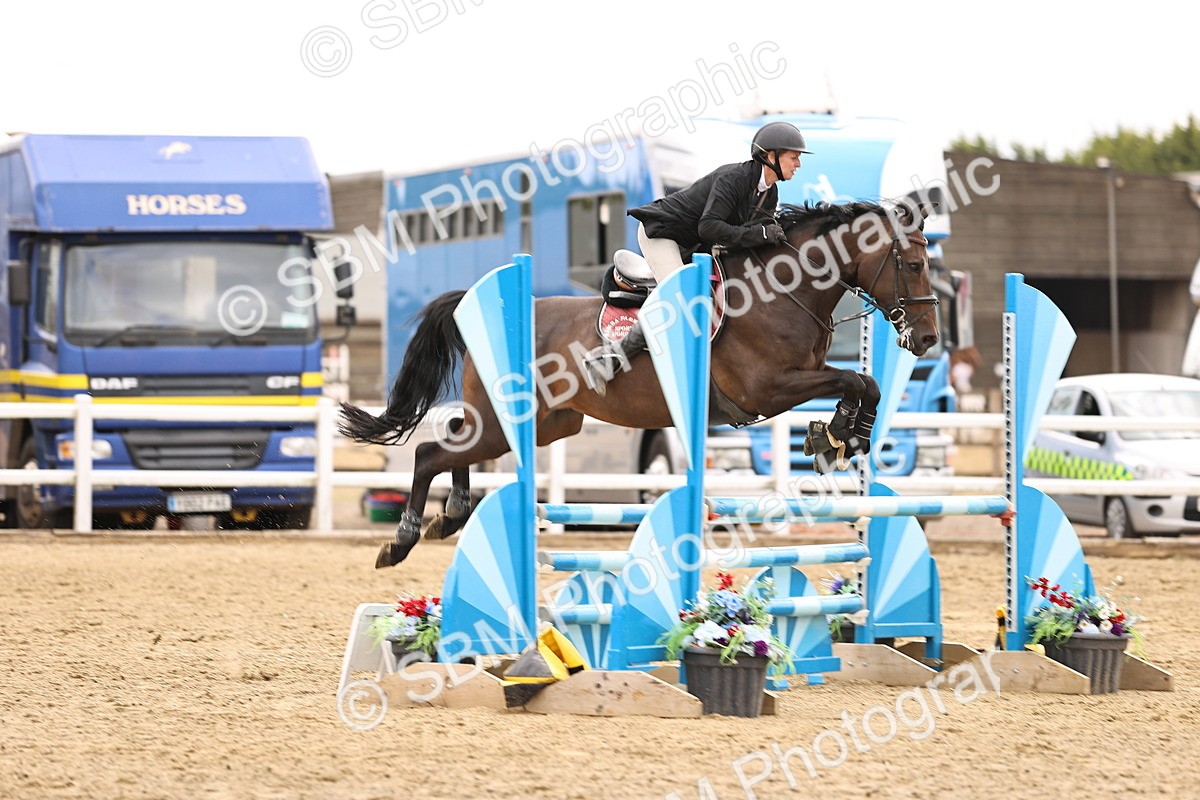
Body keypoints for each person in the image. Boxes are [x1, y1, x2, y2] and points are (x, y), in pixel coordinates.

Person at [581, 121, 812, 395]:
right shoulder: (734, 179)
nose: (798, 164)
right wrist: (761, 234)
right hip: (664, 234)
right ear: (771, 156)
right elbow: (710, 226)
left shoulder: (769, 193)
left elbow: (747, 238)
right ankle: (607, 359)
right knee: (679, 299)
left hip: (695, 244)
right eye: (793, 157)